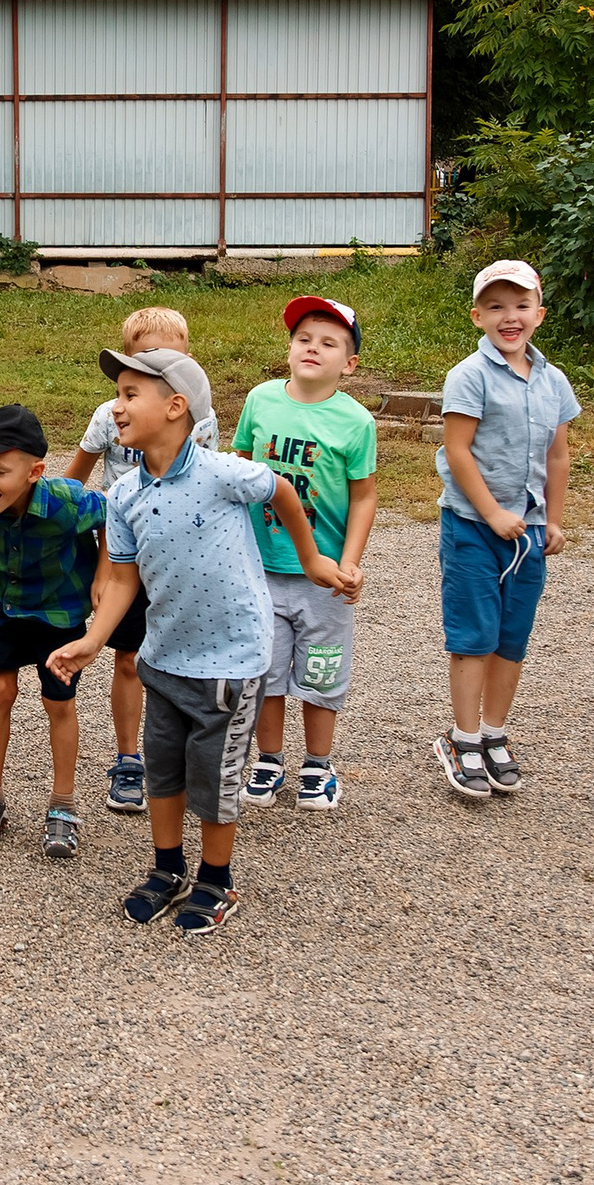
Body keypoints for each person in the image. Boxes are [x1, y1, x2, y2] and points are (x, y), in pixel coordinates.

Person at [48, 350, 337, 936]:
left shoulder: (223, 472)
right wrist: (92, 641)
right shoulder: (123, 493)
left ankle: (216, 878)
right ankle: (168, 869)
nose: (117, 406)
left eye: (131, 394)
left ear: (175, 407)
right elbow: (125, 577)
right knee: (164, 770)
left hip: (231, 660)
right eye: (117, 394)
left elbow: (280, 490)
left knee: (216, 777)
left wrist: (310, 559)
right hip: (165, 658)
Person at [431, 260, 581, 801]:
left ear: (539, 313)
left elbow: (558, 455)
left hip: (529, 532)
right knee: (475, 636)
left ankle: (494, 731)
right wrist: (493, 511)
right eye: (495, 306)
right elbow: (457, 450)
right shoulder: (468, 376)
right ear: (478, 316)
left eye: (520, 305)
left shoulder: (553, 380)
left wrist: (554, 519)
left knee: (511, 639)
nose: (508, 316)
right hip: (473, 527)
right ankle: (462, 736)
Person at [63, 306, 214, 817]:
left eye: (170, 354)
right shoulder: (109, 416)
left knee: (183, 660)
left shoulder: (201, 421)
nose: (157, 362)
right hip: (120, 555)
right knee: (127, 657)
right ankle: (128, 760)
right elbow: (74, 483)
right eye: (147, 353)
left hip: (178, 562)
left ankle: (185, 757)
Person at [232, 297, 375, 814]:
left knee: (320, 671)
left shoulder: (356, 422)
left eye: (329, 343)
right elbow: (239, 470)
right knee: (265, 672)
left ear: (349, 363)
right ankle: (269, 759)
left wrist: (350, 561)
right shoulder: (261, 400)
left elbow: (364, 495)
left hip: (323, 575)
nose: (313, 348)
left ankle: (319, 762)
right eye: (304, 339)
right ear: (290, 348)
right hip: (259, 567)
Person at [0, 405, 106, 858]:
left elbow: (111, 517)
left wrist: (104, 574)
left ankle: (62, 804)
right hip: (5, 604)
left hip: (58, 612)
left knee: (57, 700)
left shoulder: (66, 502)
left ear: (35, 471)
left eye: (0, 470)